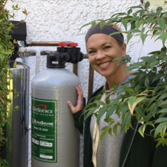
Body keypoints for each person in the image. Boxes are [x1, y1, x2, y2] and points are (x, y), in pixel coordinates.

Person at [67, 23, 167, 167]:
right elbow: (103, 139)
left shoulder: (150, 90)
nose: (100, 56)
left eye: (106, 47)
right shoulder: (97, 99)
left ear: (123, 49)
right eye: (92, 51)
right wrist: (81, 116)